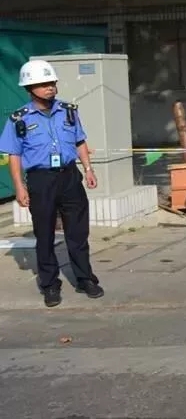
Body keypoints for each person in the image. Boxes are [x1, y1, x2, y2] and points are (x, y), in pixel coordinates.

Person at [0, 59, 103, 307]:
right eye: (43, 84)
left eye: (52, 82)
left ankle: (85, 279)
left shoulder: (69, 111)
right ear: (29, 88)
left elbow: (80, 141)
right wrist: (19, 187)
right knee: (44, 234)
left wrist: (88, 169)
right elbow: (14, 155)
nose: (50, 87)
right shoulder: (18, 119)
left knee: (78, 233)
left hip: (69, 177)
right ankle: (50, 284)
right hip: (41, 180)